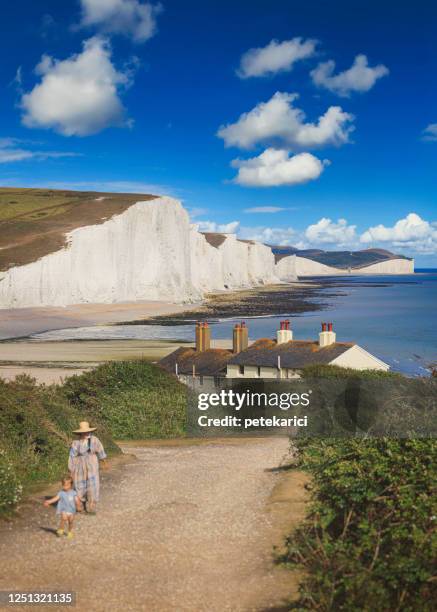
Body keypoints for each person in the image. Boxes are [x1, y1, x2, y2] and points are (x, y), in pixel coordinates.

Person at [68, 421, 107, 515]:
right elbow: (72, 456)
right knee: (79, 483)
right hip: (79, 464)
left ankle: (91, 505)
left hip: (92, 464)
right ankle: (80, 504)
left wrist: (104, 461)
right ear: (80, 433)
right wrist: (71, 469)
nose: (86, 433)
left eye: (87, 431)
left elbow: (100, 449)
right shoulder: (76, 443)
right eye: (84, 432)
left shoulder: (94, 440)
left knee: (93, 484)